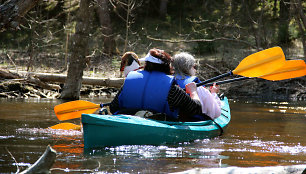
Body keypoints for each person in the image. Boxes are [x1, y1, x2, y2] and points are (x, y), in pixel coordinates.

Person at [109, 48, 203, 121]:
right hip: (158, 126)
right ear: (167, 66)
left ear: (146, 64)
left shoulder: (130, 80)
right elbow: (196, 109)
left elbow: (113, 107)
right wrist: (193, 92)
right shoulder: (171, 89)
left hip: (128, 122)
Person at [172, 52, 221, 120]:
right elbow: (216, 112)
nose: (195, 69)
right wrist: (214, 93)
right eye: (194, 66)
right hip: (192, 121)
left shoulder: (168, 83)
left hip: (171, 119)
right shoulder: (197, 87)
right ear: (188, 67)